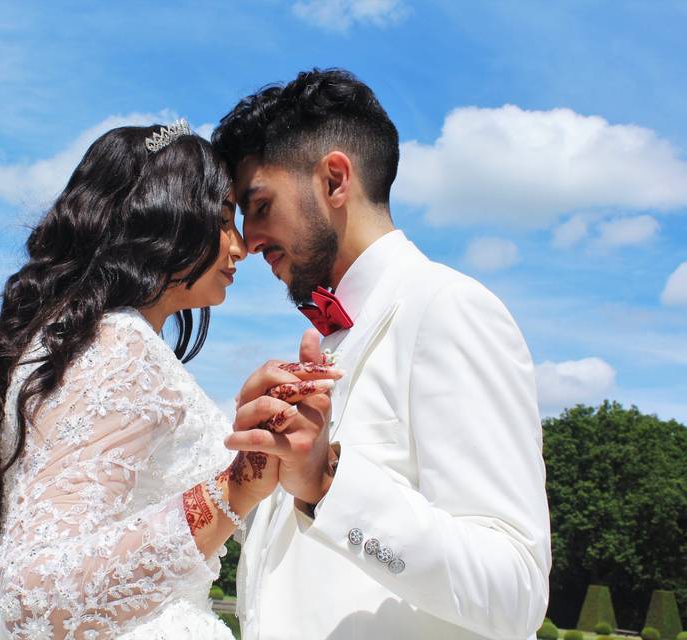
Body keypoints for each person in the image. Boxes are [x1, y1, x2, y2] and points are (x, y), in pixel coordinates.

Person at [0, 121, 339, 639]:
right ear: (165, 220)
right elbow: (36, 595)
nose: (240, 246)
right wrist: (233, 488)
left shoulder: (78, 337)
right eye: (221, 222)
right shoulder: (116, 345)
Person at [212, 69, 552, 639]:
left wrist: (326, 481)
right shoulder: (326, 342)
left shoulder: (451, 309)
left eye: (261, 204)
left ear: (335, 180)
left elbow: (514, 590)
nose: (247, 241)